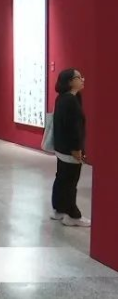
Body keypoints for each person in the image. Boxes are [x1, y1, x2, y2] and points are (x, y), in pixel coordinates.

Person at [50, 69, 90, 227]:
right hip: (69, 149)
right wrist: (76, 148)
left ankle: (59, 210)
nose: (82, 80)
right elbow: (73, 128)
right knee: (70, 182)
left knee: (62, 178)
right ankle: (72, 215)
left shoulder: (63, 98)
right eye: (79, 77)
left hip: (61, 147)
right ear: (70, 81)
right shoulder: (70, 101)